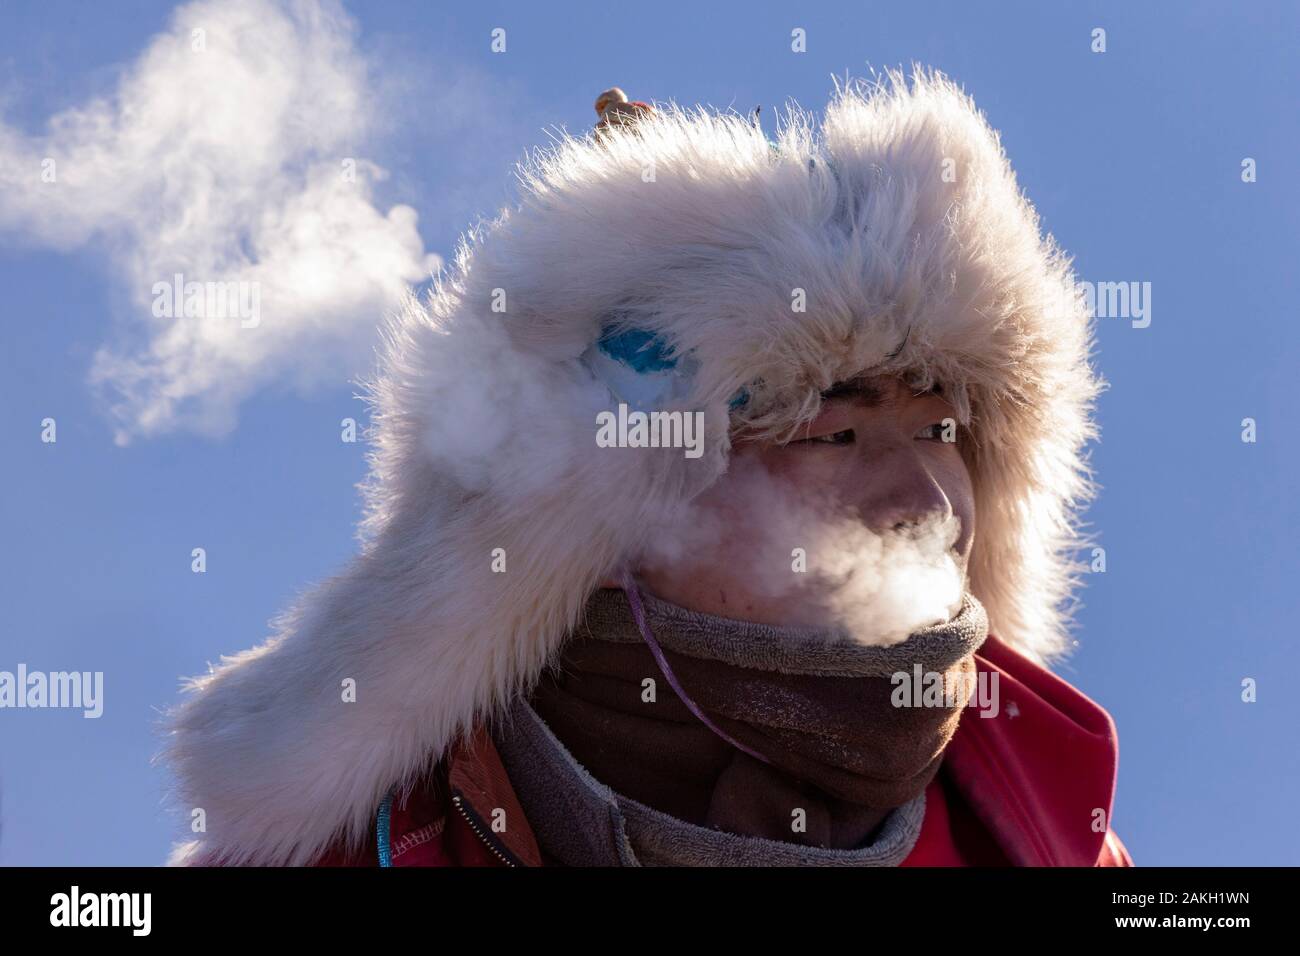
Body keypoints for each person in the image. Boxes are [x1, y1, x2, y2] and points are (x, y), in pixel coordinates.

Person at [166, 71, 1132, 867]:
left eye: (943, 432)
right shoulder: (363, 852)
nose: (928, 504)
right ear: (613, 517)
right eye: (831, 437)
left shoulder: (1062, 844)